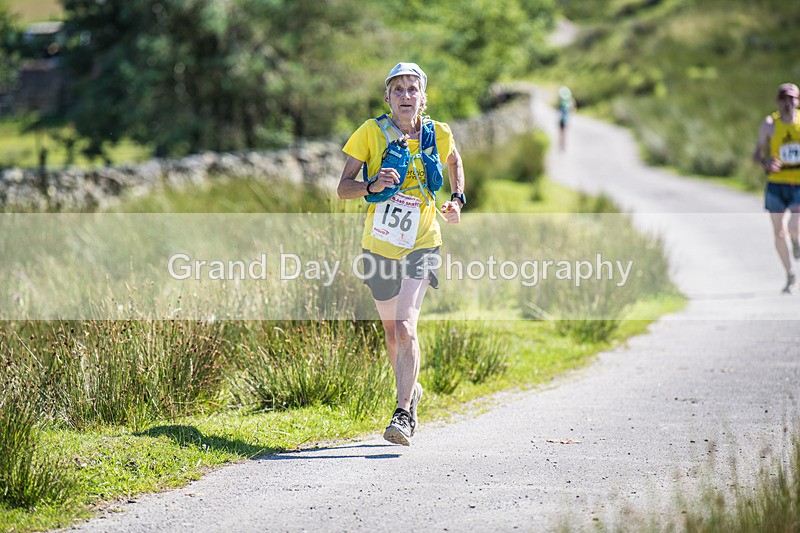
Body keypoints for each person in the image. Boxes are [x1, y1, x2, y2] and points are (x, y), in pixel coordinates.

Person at [337, 62, 466, 445]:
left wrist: (457, 199)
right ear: (388, 98)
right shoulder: (369, 133)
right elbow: (343, 188)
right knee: (393, 335)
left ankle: (403, 412)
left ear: (422, 97)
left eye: (413, 89)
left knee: (408, 326)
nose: (406, 96)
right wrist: (372, 183)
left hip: (424, 241)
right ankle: (412, 392)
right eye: (399, 90)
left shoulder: (437, 133)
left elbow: (455, 161)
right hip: (378, 245)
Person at [754, 82, 800, 294]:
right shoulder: (769, 125)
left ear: (797, 100)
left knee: (793, 226)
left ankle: (796, 240)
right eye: (784, 98)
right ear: (777, 101)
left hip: (798, 184)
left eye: (792, 98)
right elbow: (757, 155)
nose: (788, 103)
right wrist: (765, 163)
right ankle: (790, 274)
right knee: (778, 233)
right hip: (775, 184)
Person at [557, 85, 577, 151]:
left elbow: (559, 109)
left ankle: (562, 144)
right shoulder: (570, 101)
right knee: (564, 132)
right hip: (566, 119)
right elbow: (573, 109)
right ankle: (563, 144)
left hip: (562, 119)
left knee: (562, 132)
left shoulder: (563, 102)